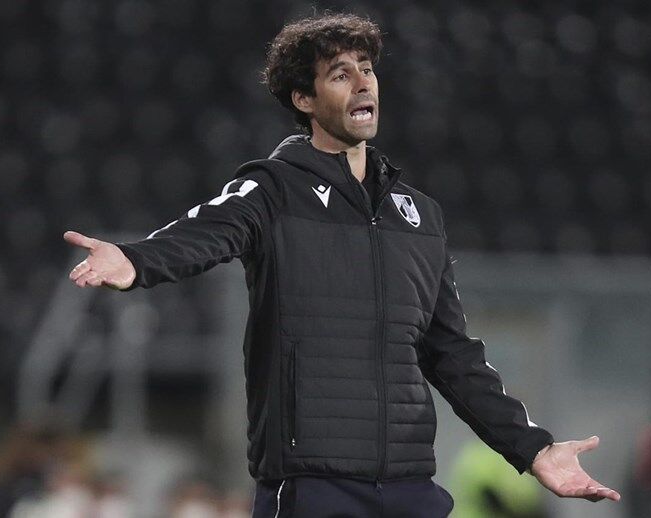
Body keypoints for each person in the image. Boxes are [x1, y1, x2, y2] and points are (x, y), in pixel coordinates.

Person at [63, 13, 620, 517]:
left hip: (409, 487)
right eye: (340, 74)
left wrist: (534, 450)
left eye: (367, 70)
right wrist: (135, 259)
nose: (362, 83)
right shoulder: (273, 190)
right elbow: (207, 230)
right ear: (304, 99)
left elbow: (452, 355)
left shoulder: (419, 216)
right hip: (314, 487)